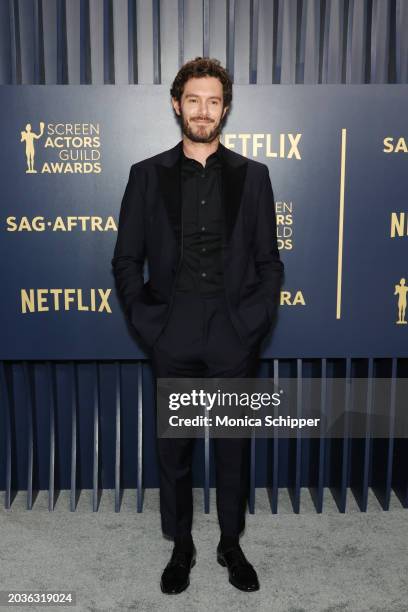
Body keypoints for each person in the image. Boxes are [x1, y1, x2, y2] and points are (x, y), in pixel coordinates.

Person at [111, 57, 284, 594]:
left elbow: (269, 262)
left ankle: (231, 543)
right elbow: (125, 260)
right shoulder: (146, 175)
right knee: (176, 450)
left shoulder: (254, 177)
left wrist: (252, 325)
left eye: (213, 101)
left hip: (234, 334)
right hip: (173, 331)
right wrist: (150, 324)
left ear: (225, 108)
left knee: (233, 445)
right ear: (176, 104)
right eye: (193, 99)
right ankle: (181, 545)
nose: (203, 110)